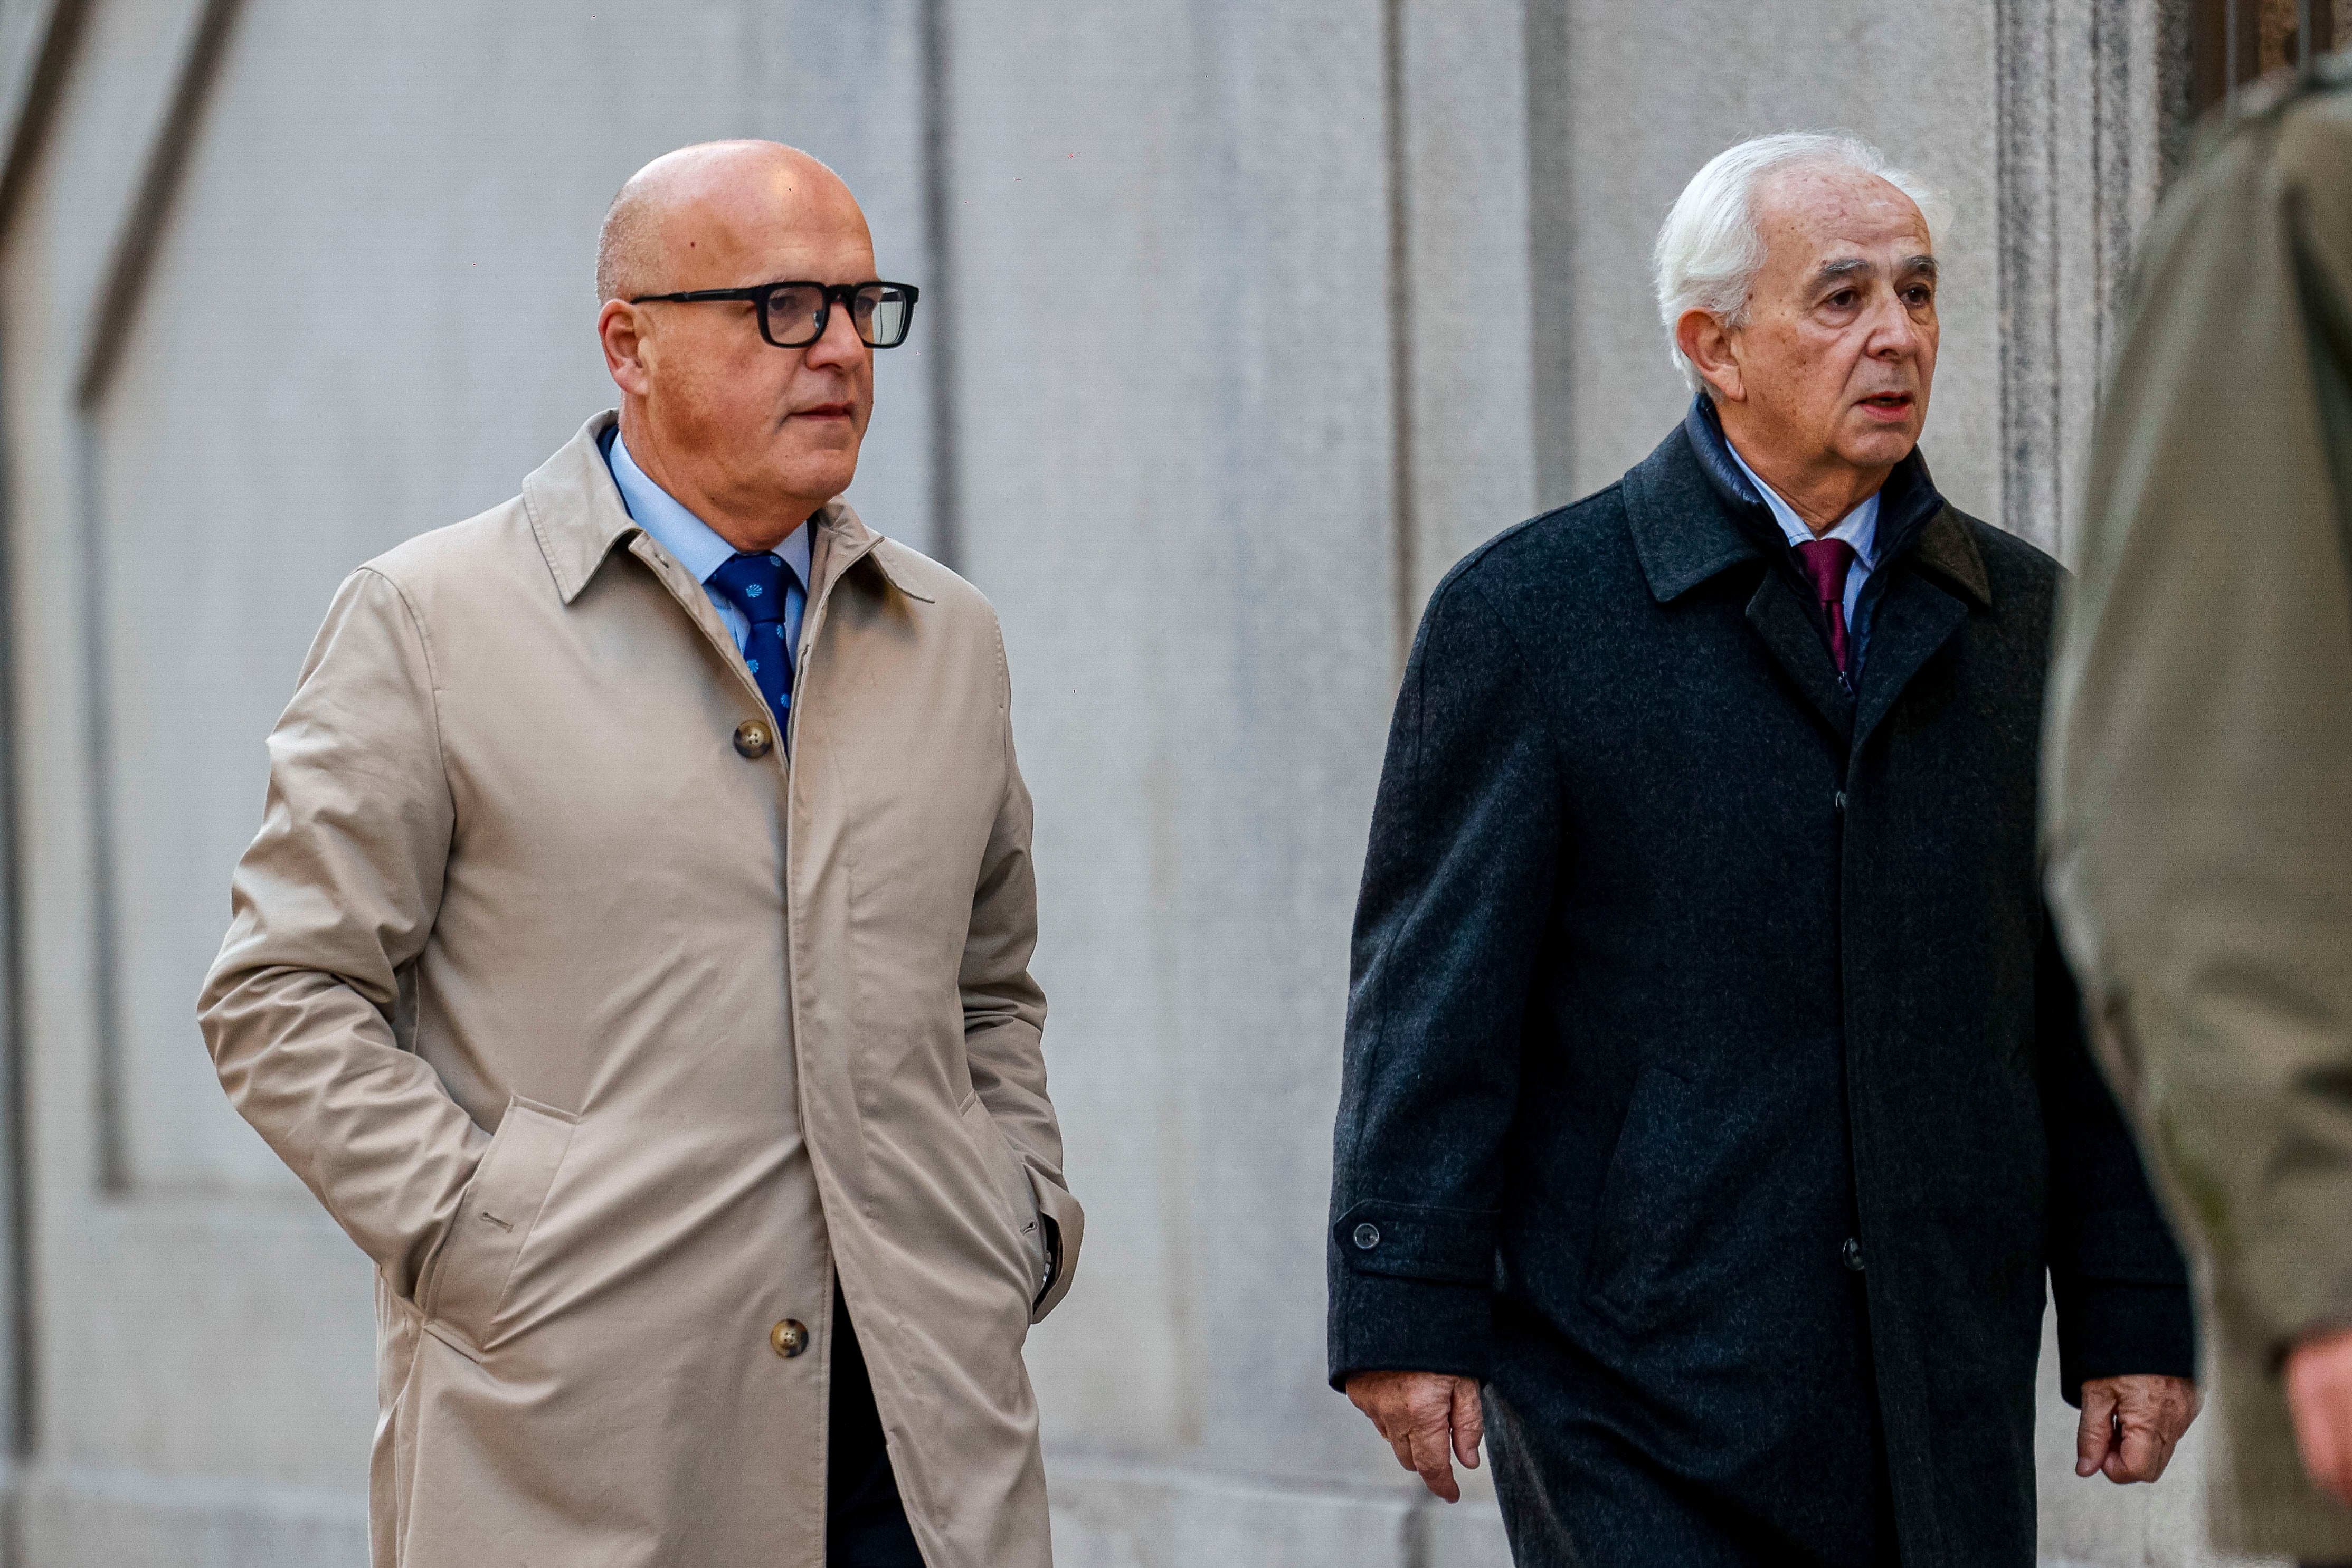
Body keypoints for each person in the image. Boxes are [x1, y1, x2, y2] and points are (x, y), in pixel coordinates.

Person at [197, 141, 1080, 1568]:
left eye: (864, 306)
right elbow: (279, 997)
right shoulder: (429, 623)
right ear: (632, 344)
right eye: (784, 307)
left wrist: (1015, 1214)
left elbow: (990, 990)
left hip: (924, 1449)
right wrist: (486, 1240)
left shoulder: (949, 637)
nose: (843, 349)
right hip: (588, 1443)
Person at [1327, 131, 2197, 1567]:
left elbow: (2096, 1002)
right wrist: (1404, 1305)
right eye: (1842, 296)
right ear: (1713, 345)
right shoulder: (1531, 620)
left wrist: (2133, 1301)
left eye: (1918, 295)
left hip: (1939, 1373)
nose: (1896, 336)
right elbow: (1434, 1003)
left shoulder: (2030, 627)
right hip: (1636, 1379)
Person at [2044, 66, 2352, 1568]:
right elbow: (2189, 830)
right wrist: (2320, 1265)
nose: (1894, 334)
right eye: (1841, 296)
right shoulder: (2308, 197)